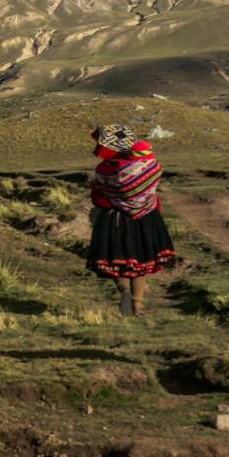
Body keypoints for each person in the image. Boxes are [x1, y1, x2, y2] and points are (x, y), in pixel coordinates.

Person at [86, 124, 176, 316]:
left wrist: (97, 187)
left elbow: (99, 200)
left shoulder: (104, 170)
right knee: (141, 265)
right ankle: (137, 305)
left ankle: (124, 290)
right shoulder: (151, 165)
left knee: (117, 264)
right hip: (146, 218)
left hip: (115, 220)